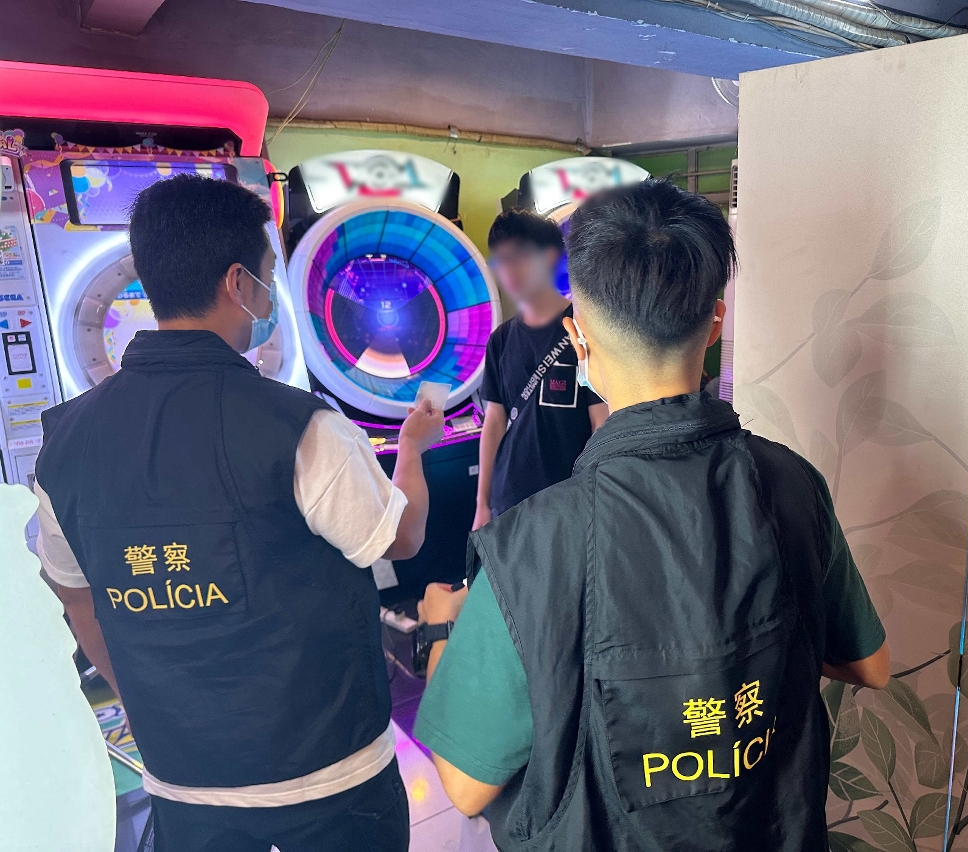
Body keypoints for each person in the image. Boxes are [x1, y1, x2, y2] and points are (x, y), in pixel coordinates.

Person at [412, 179, 890, 851]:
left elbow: (464, 786)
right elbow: (870, 664)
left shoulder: (532, 545)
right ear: (715, 321)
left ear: (578, 335)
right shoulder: (792, 484)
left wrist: (441, 632)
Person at [34, 175, 443, 852]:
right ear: (237, 283)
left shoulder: (63, 443)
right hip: (329, 770)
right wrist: (412, 450)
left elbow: (78, 597)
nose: (269, 294)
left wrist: (141, 701)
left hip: (184, 779)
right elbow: (400, 537)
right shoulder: (301, 426)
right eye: (267, 276)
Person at [472, 209, 607, 529]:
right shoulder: (500, 340)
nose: (509, 270)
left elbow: (600, 422)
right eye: (501, 259)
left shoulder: (585, 330)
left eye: (519, 256)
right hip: (509, 502)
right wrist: (482, 503)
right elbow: (494, 423)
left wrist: (599, 502)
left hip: (569, 504)